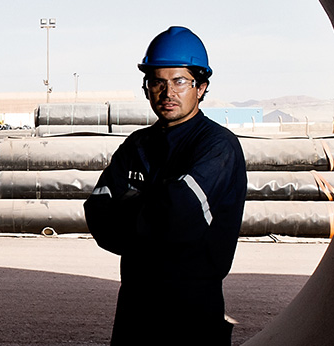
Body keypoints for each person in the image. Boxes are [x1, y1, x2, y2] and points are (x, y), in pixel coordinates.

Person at [84, 26, 247, 346]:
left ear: (201, 87)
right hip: (135, 306)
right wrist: (156, 209)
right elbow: (99, 214)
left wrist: (132, 205)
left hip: (191, 310)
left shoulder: (217, 146)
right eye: (158, 81)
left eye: (180, 81)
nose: (167, 91)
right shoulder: (137, 144)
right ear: (147, 88)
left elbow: (178, 218)